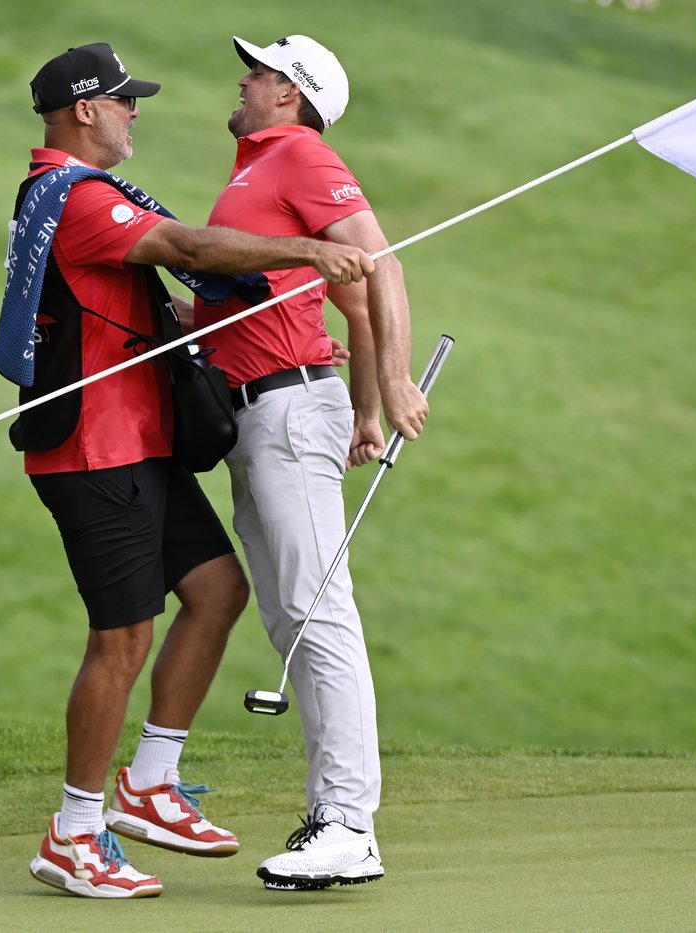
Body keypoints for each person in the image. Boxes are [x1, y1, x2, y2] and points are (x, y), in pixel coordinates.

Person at [7, 42, 377, 900]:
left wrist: (297, 342)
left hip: (140, 439)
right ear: (85, 110)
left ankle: (149, 782)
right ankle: (73, 833)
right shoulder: (77, 197)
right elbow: (191, 249)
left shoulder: (80, 192)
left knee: (216, 590)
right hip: (93, 447)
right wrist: (308, 252)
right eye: (123, 100)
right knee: (122, 638)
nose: (135, 111)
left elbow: (158, 307)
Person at [194, 34, 430, 890]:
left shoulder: (299, 155)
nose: (245, 80)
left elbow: (378, 265)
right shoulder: (255, 171)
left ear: (290, 93)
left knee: (316, 612)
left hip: (288, 410)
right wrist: (362, 409)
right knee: (293, 615)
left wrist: (393, 384)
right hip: (263, 414)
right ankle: (337, 817)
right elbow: (347, 308)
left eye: (258, 72)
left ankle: (347, 824)